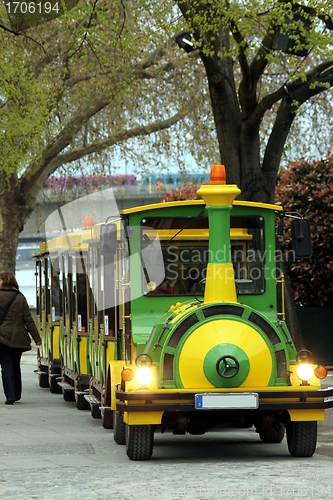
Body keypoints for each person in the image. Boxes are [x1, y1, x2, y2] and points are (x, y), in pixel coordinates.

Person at [0, 271, 42, 405]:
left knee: (6, 365)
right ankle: (17, 394)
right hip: (18, 337)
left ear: (3, 281)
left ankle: (10, 396)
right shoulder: (20, 297)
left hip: (2, 337)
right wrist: (37, 338)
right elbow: (28, 320)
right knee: (15, 366)